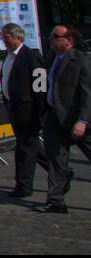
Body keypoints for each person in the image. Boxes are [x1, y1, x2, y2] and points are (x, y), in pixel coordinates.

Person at [36, 24, 91, 213]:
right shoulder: (51, 59)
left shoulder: (82, 60)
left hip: (76, 119)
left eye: (55, 36)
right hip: (54, 116)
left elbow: (87, 94)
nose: (51, 40)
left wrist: (83, 120)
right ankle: (55, 200)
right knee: (56, 160)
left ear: (69, 40)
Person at [0, 23, 44, 198]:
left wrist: (40, 112)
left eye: (7, 36)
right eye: (3, 36)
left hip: (29, 110)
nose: (4, 39)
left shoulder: (31, 56)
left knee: (25, 148)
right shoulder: (8, 57)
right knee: (30, 145)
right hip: (13, 107)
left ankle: (24, 185)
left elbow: (40, 86)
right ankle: (60, 170)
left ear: (18, 37)